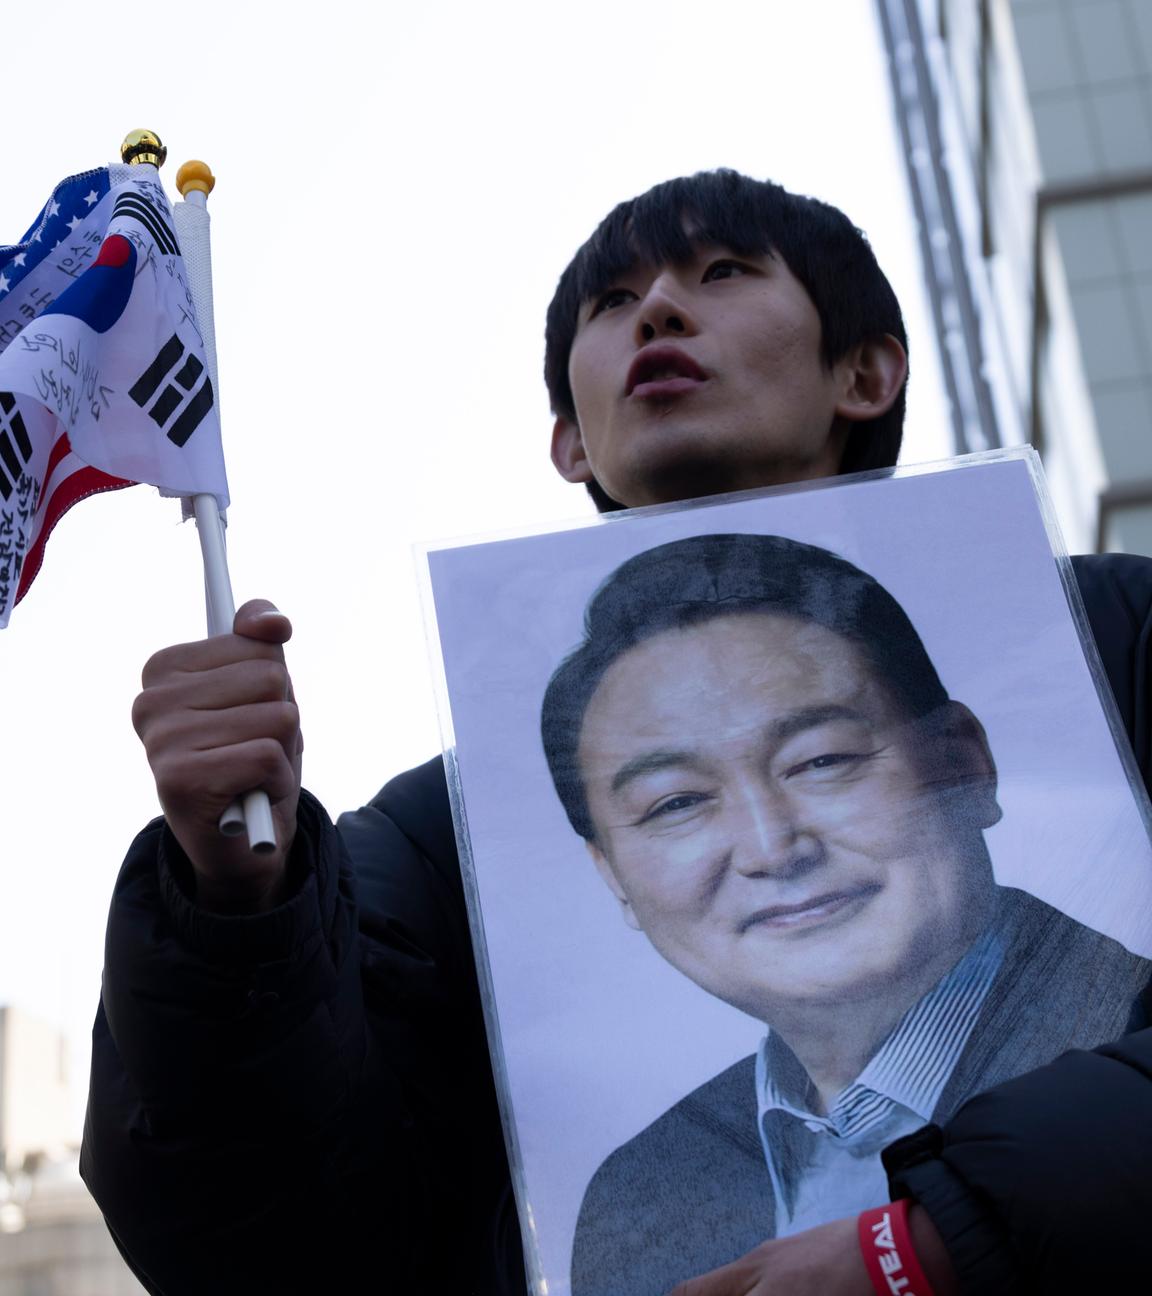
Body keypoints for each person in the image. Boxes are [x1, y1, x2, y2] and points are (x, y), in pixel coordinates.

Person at [80, 169, 1152, 1295]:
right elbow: (277, 1250)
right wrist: (231, 913)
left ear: (866, 372)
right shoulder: (446, 850)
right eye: (674, 804)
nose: (660, 312)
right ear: (570, 444)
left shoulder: (1115, 636)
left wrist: (936, 1243)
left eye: (722, 271)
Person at [539, 532, 1149, 1294]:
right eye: (677, 803)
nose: (771, 848)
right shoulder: (634, 1197)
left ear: (965, 760)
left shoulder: (1131, 1019)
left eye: (822, 760)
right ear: (613, 877)